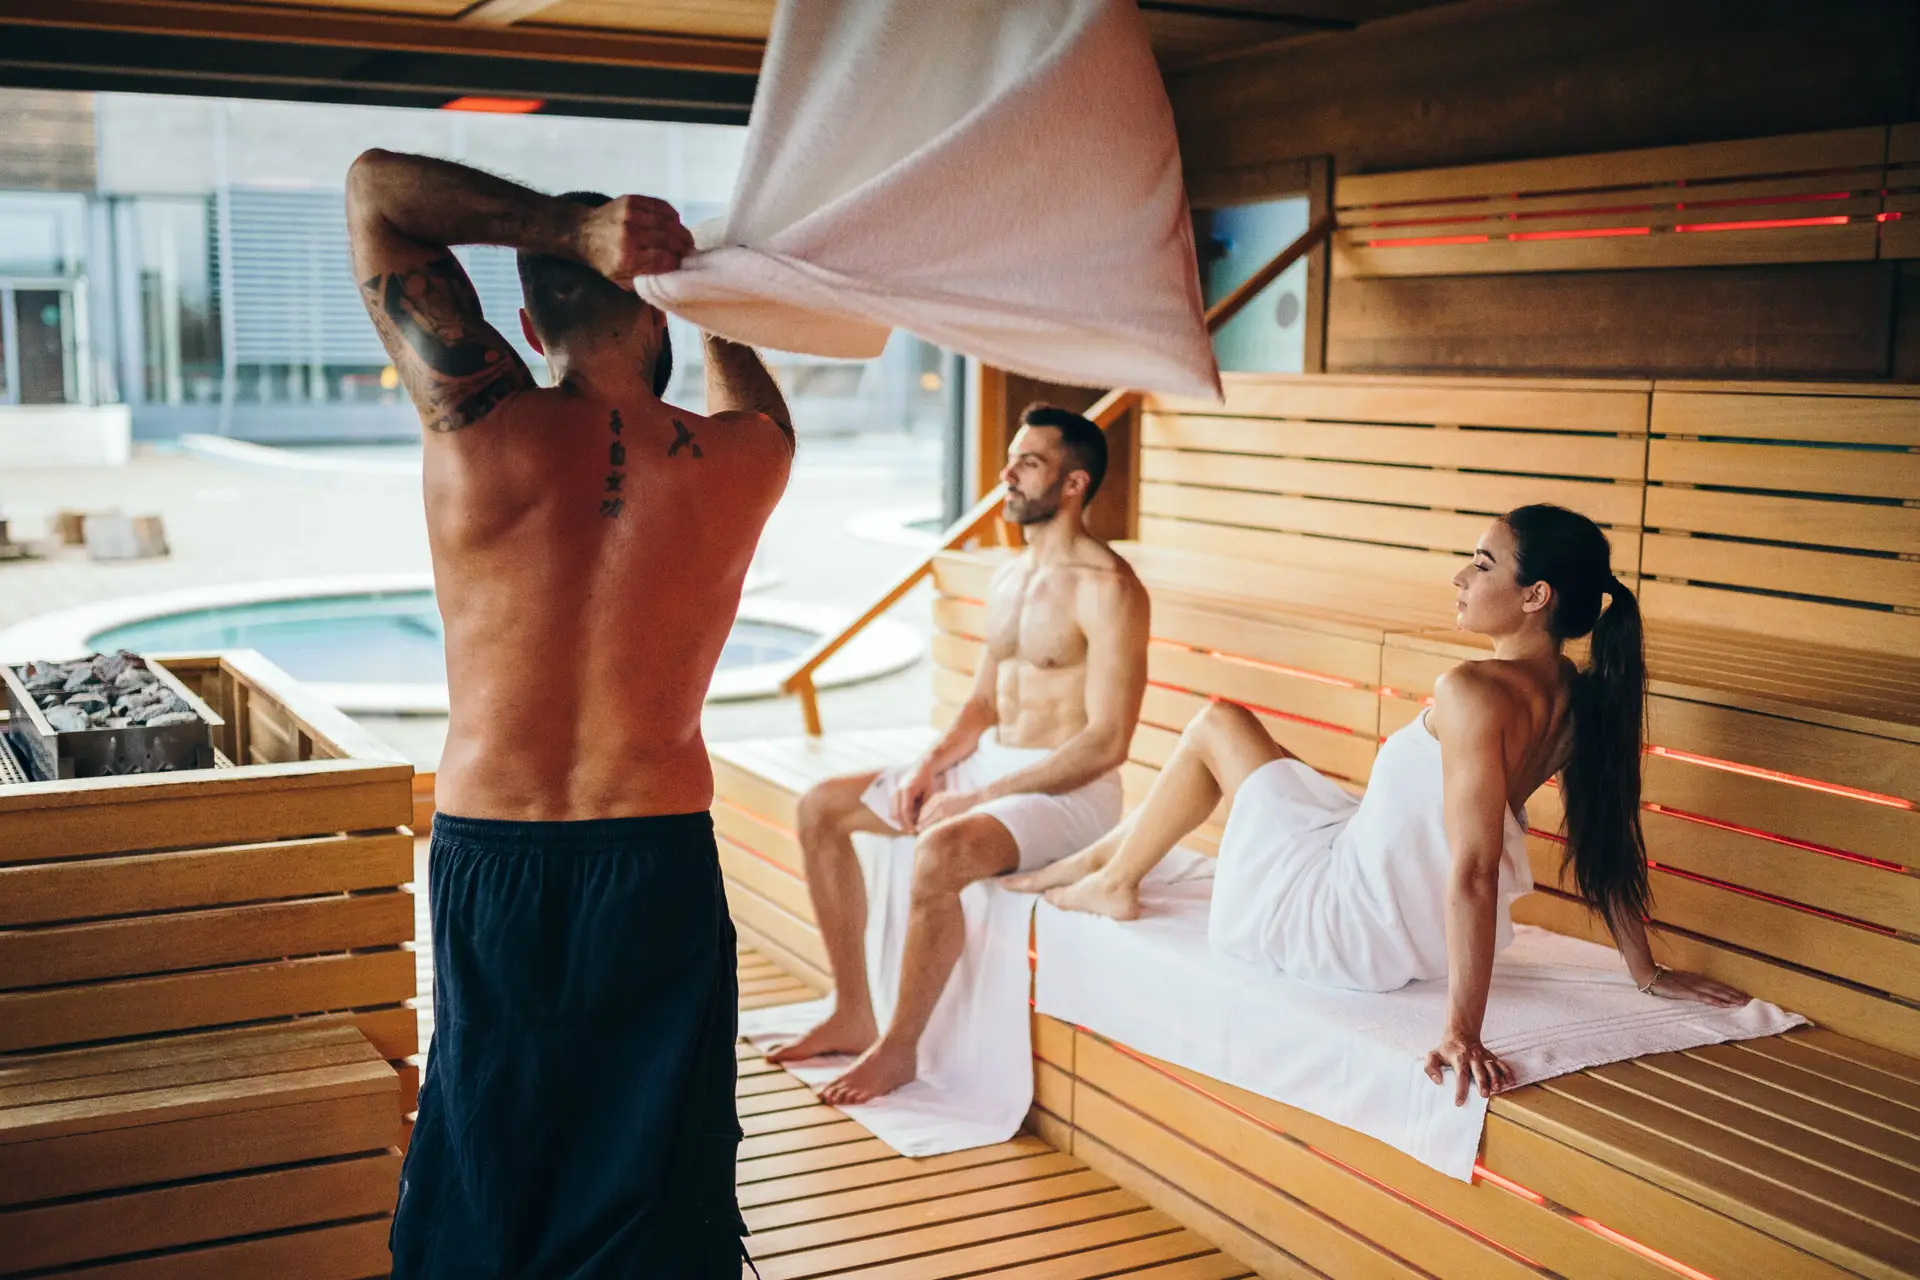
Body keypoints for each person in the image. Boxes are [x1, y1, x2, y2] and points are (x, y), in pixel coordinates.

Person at [346, 149, 794, 1278]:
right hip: (656, 851)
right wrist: (702, 290)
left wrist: (571, 227)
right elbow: (753, 390)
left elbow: (375, 190)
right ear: (659, 325)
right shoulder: (745, 458)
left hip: (498, 849)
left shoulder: (475, 422)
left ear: (528, 335)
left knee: (495, 1137)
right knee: (656, 1159)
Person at [1018, 504, 1749, 1106]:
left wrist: (1462, 1030)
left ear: (1536, 597)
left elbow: (1474, 868)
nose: (1461, 576)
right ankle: (1100, 865)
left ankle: (1111, 877)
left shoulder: (1473, 692)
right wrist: (1644, 970)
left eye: (1484, 564)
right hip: (1420, 930)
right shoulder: (1580, 699)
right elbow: (1604, 841)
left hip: (1350, 925)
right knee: (1271, 766)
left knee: (1217, 723)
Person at [768, 405, 1150, 1103]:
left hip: (1070, 793)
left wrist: (974, 799)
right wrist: (931, 765)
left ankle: (900, 1050)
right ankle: (854, 1010)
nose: (1007, 473)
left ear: (1072, 485)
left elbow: (1107, 741)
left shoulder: (1110, 589)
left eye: (1029, 462)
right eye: (1012, 457)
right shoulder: (1009, 578)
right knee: (822, 808)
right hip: (995, 766)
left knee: (941, 852)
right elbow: (983, 704)